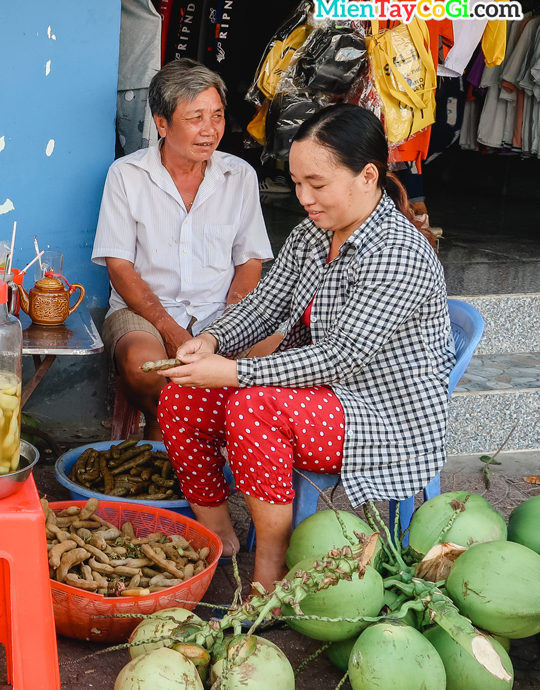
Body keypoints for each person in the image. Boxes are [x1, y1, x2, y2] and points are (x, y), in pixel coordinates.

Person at [154, 104, 454, 592]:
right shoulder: (313, 233)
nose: (304, 198)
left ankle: (271, 571)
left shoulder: (398, 252)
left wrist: (232, 372)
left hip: (379, 411)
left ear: (367, 176)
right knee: (182, 395)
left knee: (254, 407)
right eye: (296, 183)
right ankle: (219, 536)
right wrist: (208, 340)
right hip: (316, 392)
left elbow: (342, 355)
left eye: (317, 184)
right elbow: (265, 307)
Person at [92, 58, 274, 441]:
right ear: (162, 123)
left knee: (277, 358)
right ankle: (171, 434)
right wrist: (171, 330)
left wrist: (229, 327)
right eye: (196, 118)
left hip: (222, 311)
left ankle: (210, 443)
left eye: (218, 116)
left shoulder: (239, 175)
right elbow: (120, 268)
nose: (210, 131)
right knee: (145, 366)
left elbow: (250, 259)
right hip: (145, 312)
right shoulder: (127, 175)